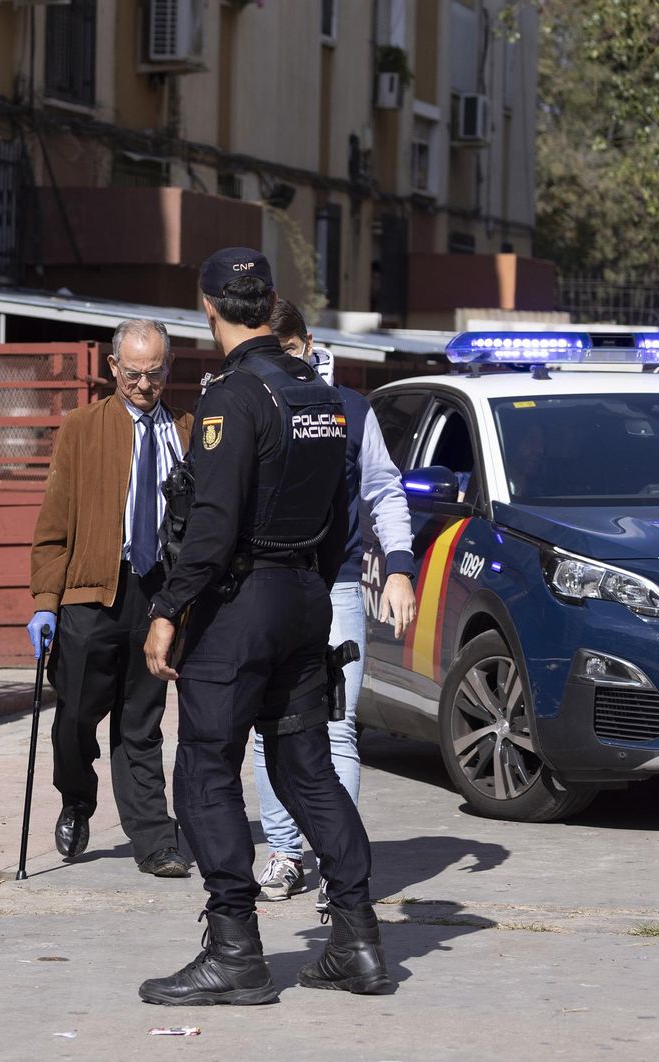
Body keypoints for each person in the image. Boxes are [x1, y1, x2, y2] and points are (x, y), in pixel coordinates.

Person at [139, 249, 392, 1006]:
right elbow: (339, 511)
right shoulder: (320, 394)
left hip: (241, 605)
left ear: (208, 306)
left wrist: (166, 610)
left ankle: (236, 951)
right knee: (306, 768)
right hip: (305, 598)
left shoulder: (232, 398)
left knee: (205, 769)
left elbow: (212, 527)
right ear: (269, 300)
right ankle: (357, 941)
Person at [253, 300, 417, 908]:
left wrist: (397, 570)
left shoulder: (351, 410)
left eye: (287, 348)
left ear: (306, 342)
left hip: (338, 587)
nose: (279, 362)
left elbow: (383, 489)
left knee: (337, 729)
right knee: (266, 727)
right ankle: (283, 853)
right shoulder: (250, 406)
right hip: (264, 588)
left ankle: (335, 864)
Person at [26, 319, 193, 877]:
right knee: (75, 718)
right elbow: (54, 522)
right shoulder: (81, 428)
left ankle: (154, 840)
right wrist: (45, 601)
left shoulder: (187, 431)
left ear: (168, 368)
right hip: (90, 593)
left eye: (155, 373)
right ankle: (77, 799)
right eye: (134, 373)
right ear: (112, 368)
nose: (144, 384)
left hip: (155, 595)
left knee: (140, 723)